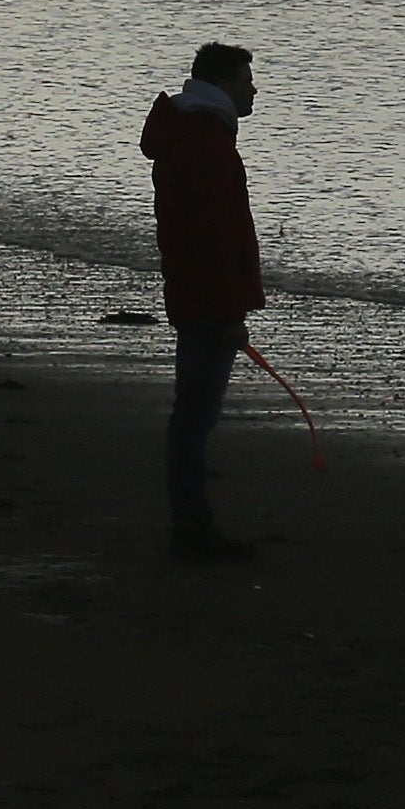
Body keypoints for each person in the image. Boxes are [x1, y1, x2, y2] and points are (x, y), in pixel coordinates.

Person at [139, 40, 266, 561]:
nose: (253, 88)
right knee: (195, 415)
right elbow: (214, 236)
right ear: (223, 85)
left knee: (192, 413)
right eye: (246, 79)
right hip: (206, 300)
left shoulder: (195, 135)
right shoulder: (207, 144)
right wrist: (231, 314)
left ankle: (190, 526)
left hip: (194, 294)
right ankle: (191, 531)